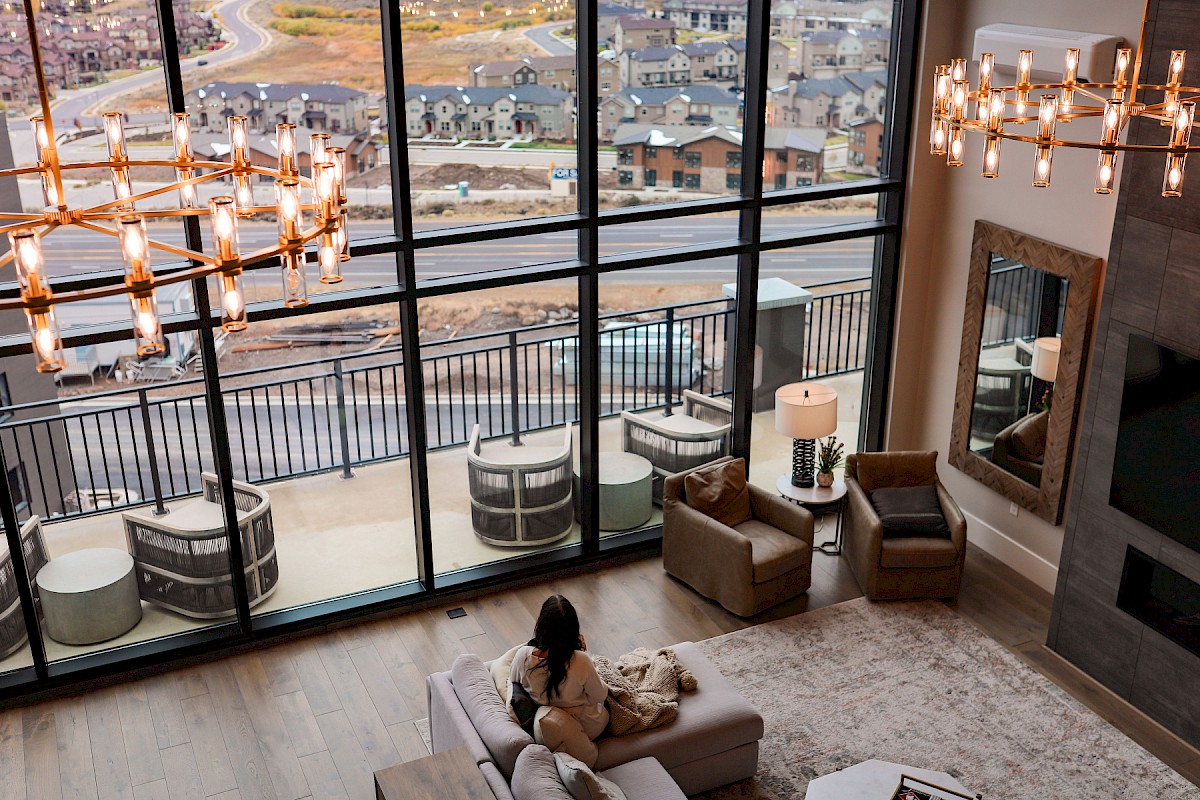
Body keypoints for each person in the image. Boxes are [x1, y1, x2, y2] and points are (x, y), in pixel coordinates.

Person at [510, 595, 609, 740]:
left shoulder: (524, 656)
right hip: (587, 727)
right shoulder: (581, 661)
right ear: (574, 630)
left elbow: (513, 682)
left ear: (540, 624)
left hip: (549, 726)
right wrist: (585, 655)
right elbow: (599, 696)